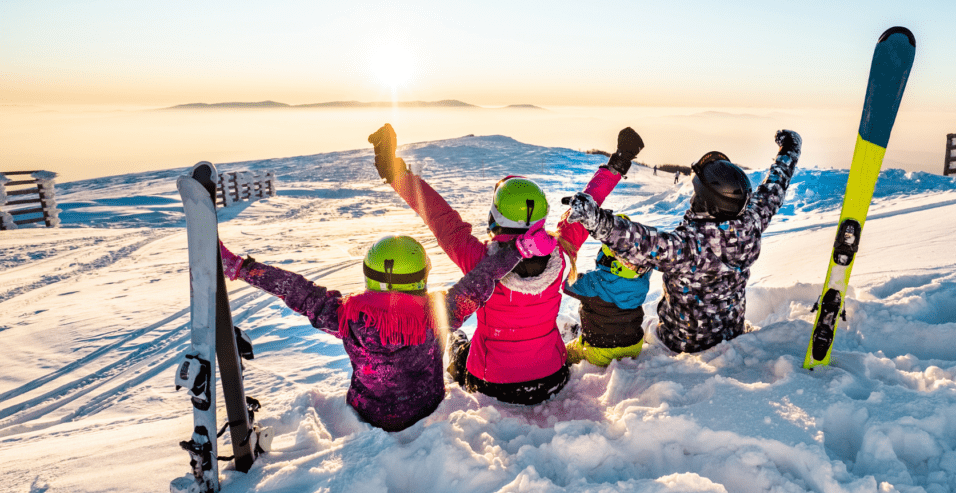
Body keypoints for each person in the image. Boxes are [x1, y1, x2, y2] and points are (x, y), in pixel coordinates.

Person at [369, 123, 644, 404]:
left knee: (458, 344)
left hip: (491, 383)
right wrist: (618, 163)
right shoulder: (560, 253)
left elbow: (440, 217)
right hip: (552, 377)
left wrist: (395, 173)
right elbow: (587, 205)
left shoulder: (479, 262)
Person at [218, 227, 556, 431]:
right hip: (426, 408)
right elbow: (481, 281)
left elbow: (295, 289)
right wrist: (519, 250)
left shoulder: (346, 316)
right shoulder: (439, 314)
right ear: (422, 276)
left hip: (368, 412)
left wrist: (240, 268)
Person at [564, 130, 801, 353]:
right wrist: (789, 150)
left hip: (681, 342)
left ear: (706, 203)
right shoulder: (751, 223)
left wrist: (596, 220)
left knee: (642, 330)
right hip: (731, 331)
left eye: (697, 193)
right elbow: (773, 190)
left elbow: (641, 242)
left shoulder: (690, 246)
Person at [562, 214, 652, 367]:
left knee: (565, 353)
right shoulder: (642, 279)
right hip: (633, 346)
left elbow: (566, 283)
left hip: (599, 351)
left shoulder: (593, 282)